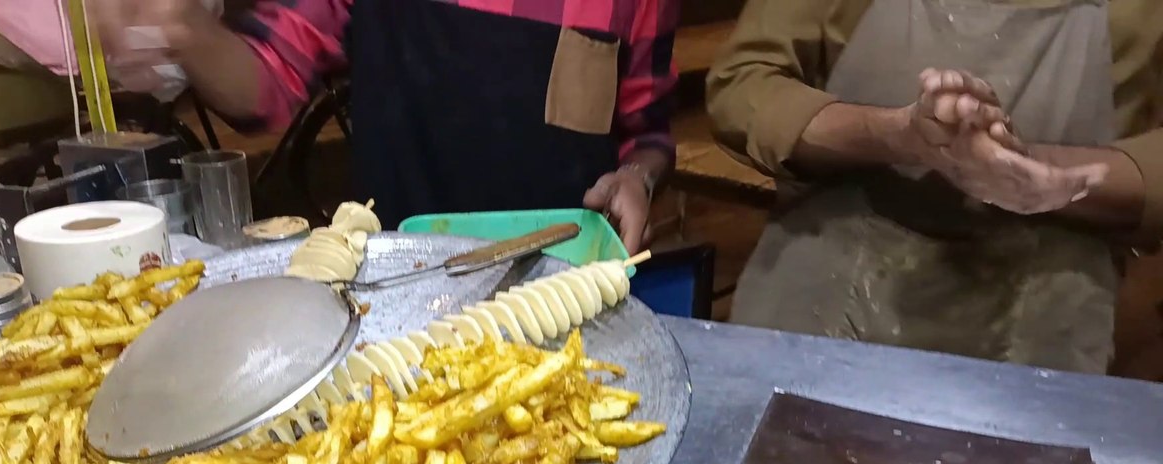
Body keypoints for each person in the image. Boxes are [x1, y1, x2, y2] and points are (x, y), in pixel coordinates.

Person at [707, 0, 1163, 374]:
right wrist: (894, 134)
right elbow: (743, 84)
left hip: (1048, 286)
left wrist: (1037, 171)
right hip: (834, 254)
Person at [91, 0, 680, 252]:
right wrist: (187, 32)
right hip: (399, 305)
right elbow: (266, 87)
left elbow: (646, 130)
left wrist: (638, 177)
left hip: (563, 296)